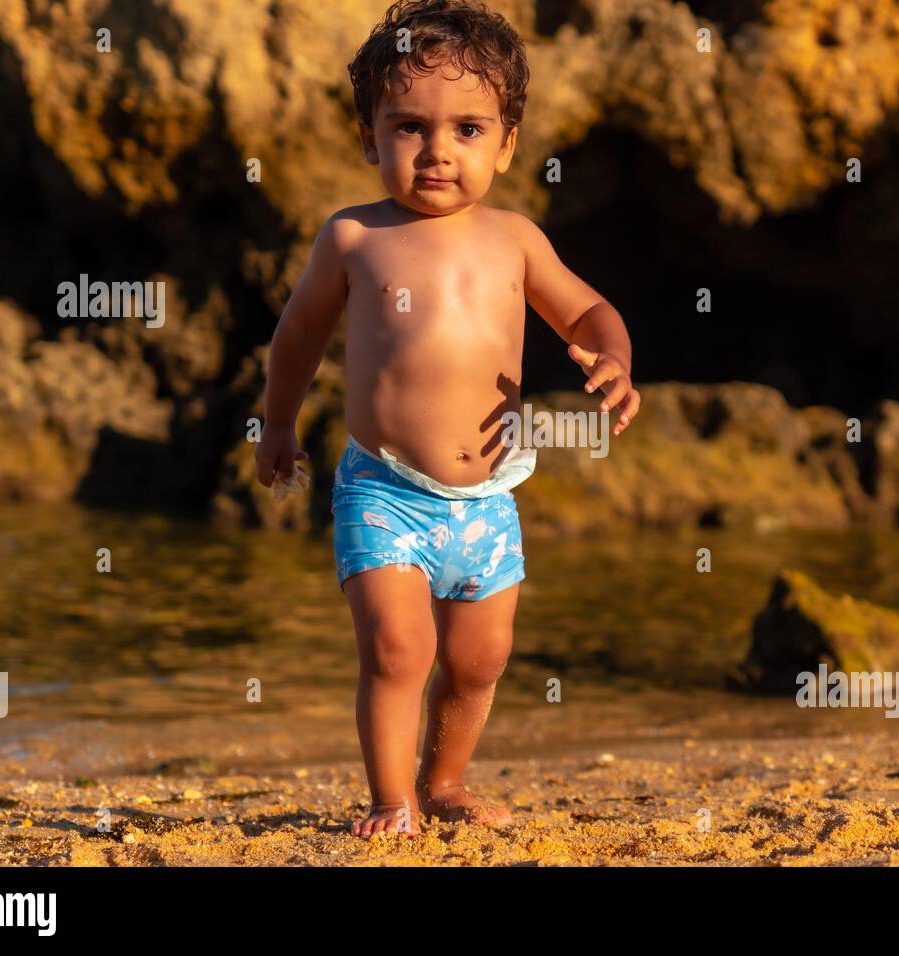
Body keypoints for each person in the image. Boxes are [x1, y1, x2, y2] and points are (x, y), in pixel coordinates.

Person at [255, 0, 639, 837]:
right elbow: (296, 340)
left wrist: (613, 359)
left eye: (468, 129)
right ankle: (392, 800)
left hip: (488, 499)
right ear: (368, 136)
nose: (437, 152)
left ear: (505, 146)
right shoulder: (353, 238)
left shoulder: (516, 240)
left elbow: (589, 312)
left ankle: (447, 781)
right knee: (398, 649)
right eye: (408, 128)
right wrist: (277, 427)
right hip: (384, 491)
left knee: (480, 659)